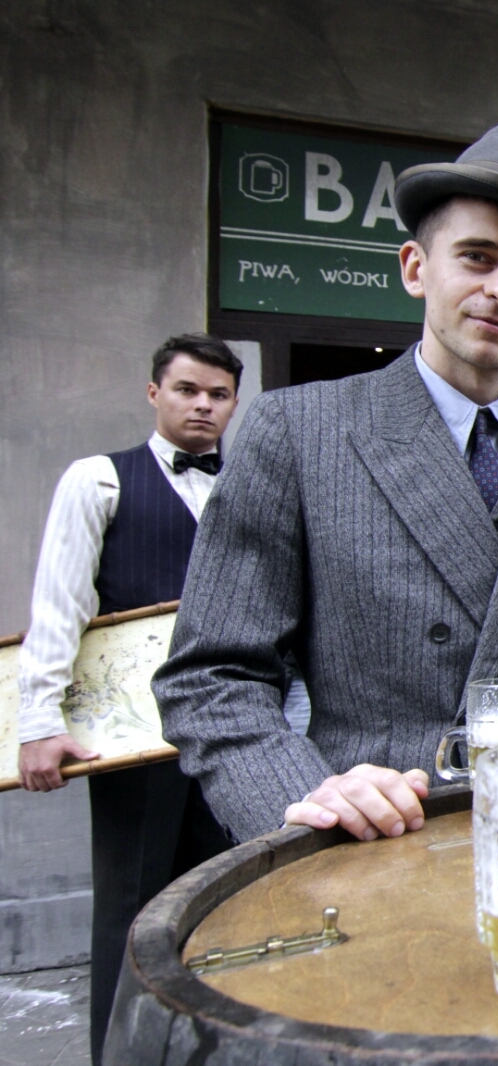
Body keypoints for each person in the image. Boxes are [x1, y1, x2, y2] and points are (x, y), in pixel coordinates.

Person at [153, 120, 498, 849]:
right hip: (378, 848)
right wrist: (303, 799)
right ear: (414, 267)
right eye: (477, 257)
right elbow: (212, 677)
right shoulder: (298, 432)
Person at [16, 333, 242, 1065]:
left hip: (233, 735)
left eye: (218, 394)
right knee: (132, 905)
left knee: (224, 905)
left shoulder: (248, 486)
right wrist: (38, 723)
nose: (203, 405)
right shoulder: (98, 480)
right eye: (187, 390)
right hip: (130, 737)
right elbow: (59, 610)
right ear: (155, 393)